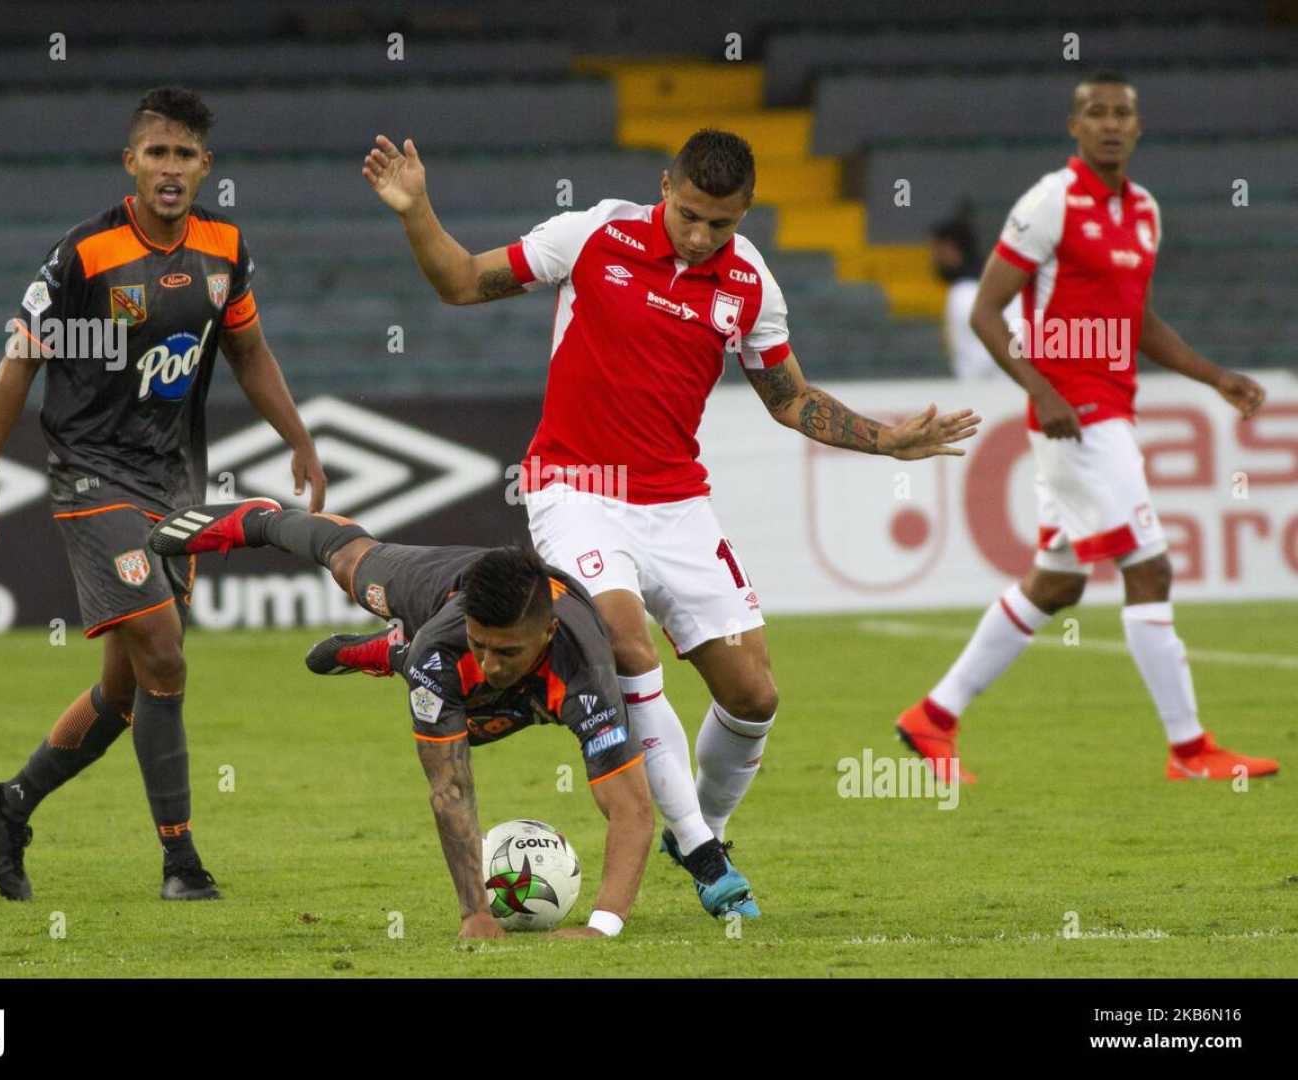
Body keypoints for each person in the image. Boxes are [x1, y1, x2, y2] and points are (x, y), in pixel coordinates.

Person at [362, 127, 978, 916]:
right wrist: (416, 210)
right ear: (664, 186)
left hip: (676, 502)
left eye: (720, 224)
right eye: (687, 213)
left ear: (745, 212)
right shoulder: (593, 234)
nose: (699, 235)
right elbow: (458, 281)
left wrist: (885, 439)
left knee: (754, 695)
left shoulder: (751, 283)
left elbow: (788, 398)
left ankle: (698, 828)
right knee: (624, 640)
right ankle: (702, 851)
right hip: (574, 487)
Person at [0, 87, 328, 901]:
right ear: (131, 162)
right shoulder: (85, 254)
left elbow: (250, 352)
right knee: (164, 648)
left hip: (174, 487)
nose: (170, 168)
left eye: (184, 155)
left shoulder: (226, 249)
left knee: (127, 693)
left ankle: (10, 804)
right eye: (156, 153)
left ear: (204, 168)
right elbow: (21, 359)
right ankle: (181, 863)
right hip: (91, 475)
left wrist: (297, 438)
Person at [896, 71, 1277, 783]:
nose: (1109, 123)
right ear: (1075, 126)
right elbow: (986, 312)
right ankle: (1190, 749)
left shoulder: (1145, 212)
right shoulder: (1050, 202)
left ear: (1137, 128)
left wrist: (1214, 376)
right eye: (1095, 112)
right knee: (1151, 566)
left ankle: (933, 718)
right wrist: (1042, 392)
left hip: (1109, 413)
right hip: (1076, 420)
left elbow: (1139, 323)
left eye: (1121, 114)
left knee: (1057, 584)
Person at [147, 499, 655, 939]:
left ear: (546, 633)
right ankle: (258, 520)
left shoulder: (586, 667)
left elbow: (631, 809)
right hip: (434, 602)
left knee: (488, 714)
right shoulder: (446, 647)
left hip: (528, 678)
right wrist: (474, 911)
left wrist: (601, 927)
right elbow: (451, 787)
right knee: (349, 563)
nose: (490, 662)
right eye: (480, 645)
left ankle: (393, 653)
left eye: (507, 651)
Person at [929, 214, 1016, 381]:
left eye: (937, 251)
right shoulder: (1009, 288)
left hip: (982, 391)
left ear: (950, 248)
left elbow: (977, 362)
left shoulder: (961, 294)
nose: (934, 259)